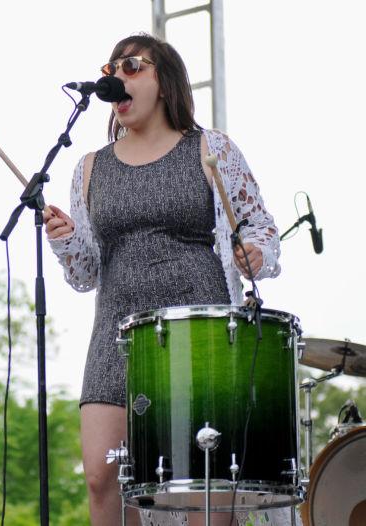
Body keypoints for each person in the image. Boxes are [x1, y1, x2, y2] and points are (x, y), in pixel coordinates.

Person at [44, 34, 284, 526]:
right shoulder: (90, 167)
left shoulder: (210, 147)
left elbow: (260, 226)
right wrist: (66, 241)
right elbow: (87, 273)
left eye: (133, 66)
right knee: (100, 476)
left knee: (204, 483)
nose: (118, 77)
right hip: (117, 331)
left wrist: (254, 252)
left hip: (201, 329)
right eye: (112, 68)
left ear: (164, 79)